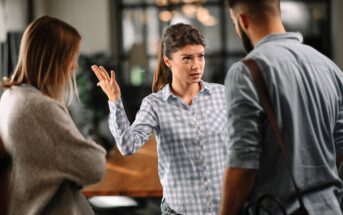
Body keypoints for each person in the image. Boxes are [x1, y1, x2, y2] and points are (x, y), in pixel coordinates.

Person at [219, 0, 343, 214]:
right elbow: (340, 147)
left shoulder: (245, 72)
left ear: (243, 20)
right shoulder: (330, 68)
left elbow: (243, 162)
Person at [92, 23, 228, 215]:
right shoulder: (154, 104)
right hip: (180, 211)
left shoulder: (223, 96)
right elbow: (127, 146)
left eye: (201, 56)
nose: (197, 65)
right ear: (167, 61)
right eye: (187, 58)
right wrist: (115, 100)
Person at [0, 16, 106, 215]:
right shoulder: (38, 108)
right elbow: (94, 167)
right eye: (72, 56)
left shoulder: (10, 96)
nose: (74, 66)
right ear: (53, 57)